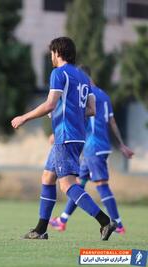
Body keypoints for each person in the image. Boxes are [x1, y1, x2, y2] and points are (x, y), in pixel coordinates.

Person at [11, 37, 117, 240]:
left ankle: (104, 221)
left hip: (65, 135)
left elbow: (50, 104)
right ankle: (40, 229)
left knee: (67, 184)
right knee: (47, 178)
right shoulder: (84, 77)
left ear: (57, 52)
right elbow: (92, 110)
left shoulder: (58, 73)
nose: (50, 56)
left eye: (51, 53)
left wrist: (24, 117)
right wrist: (66, 112)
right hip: (77, 136)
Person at [49, 65, 134, 234]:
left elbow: (75, 115)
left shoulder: (86, 94)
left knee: (101, 186)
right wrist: (121, 144)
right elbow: (112, 122)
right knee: (78, 184)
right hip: (100, 147)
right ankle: (63, 219)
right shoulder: (105, 95)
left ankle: (118, 223)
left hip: (92, 147)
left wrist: (57, 130)